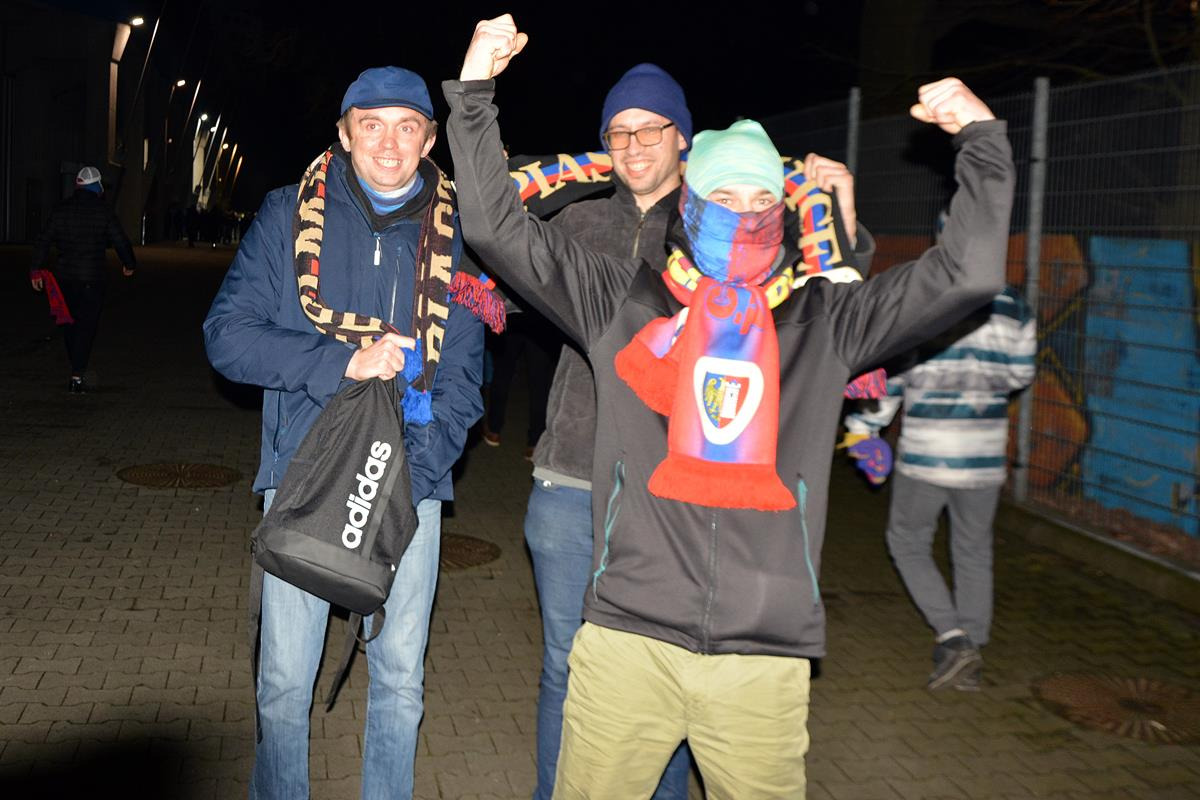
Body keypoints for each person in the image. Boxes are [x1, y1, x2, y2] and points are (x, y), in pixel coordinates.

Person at [445, 14, 1014, 797]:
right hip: (629, 643)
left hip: (762, 659)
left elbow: (968, 273)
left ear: (780, 212)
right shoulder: (622, 305)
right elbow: (494, 225)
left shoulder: (824, 322)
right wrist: (475, 87)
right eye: (723, 195)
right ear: (691, 206)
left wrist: (980, 139)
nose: (743, 212)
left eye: (759, 197)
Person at [204, 66, 489, 800]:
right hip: (303, 477)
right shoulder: (287, 215)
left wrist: (412, 478)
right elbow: (227, 337)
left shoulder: (458, 236)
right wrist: (342, 363)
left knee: (399, 680)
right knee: (282, 682)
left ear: (430, 139)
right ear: (343, 132)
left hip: (411, 483)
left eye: (407, 127)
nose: (389, 144)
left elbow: (463, 378)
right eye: (372, 125)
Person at [844, 281, 1036, 691]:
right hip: (984, 455)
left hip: (926, 456)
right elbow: (1021, 373)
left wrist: (863, 428)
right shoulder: (1014, 304)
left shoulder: (927, 300)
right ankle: (972, 650)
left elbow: (893, 377)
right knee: (973, 550)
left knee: (907, 542)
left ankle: (952, 637)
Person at [30, 166, 136, 393]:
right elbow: (120, 240)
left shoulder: (61, 209)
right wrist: (129, 264)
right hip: (92, 279)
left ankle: (76, 366)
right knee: (86, 326)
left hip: (64, 278)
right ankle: (77, 375)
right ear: (97, 186)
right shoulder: (104, 211)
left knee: (69, 323)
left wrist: (35, 269)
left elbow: (43, 240)